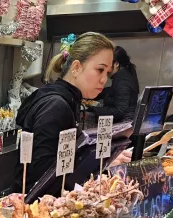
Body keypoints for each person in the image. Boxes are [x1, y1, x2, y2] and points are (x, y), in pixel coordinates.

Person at [16, 33, 132, 194]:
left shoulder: (69, 100)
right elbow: (43, 174)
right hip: (35, 210)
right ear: (76, 67)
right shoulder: (56, 105)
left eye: (108, 73)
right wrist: (100, 165)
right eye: (100, 70)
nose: (104, 80)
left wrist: (104, 161)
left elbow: (64, 163)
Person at [90, 46, 140, 122]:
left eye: (108, 64)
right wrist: (95, 94)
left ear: (116, 64)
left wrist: (91, 110)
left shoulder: (122, 79)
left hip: (124, 124)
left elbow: (119, 111)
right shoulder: (126, 73)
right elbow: (115, 91)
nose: (106, 69)